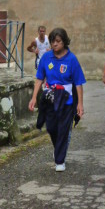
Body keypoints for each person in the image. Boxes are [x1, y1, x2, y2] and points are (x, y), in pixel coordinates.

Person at [28, 28, 85, 172]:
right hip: (50, 98)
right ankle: (58, 148)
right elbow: (39, 78)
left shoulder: (72, 59)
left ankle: (60, 161)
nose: (55, 44)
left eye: (58, 41)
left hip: (67, 100)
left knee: (63, 129)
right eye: (53, 41)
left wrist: (80, 104)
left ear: (64, 42)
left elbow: (78, 83)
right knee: (52, 128)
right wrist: (34, 98)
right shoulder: (46, 58)